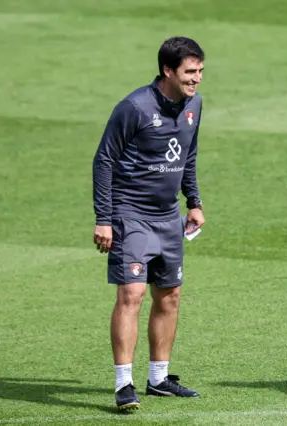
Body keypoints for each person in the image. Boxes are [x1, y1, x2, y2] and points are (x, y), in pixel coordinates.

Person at [92, 36, 206, 411]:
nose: (197, 79)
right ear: (167, 71)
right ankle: (124, 384)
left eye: (201, 71)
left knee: (169, 295)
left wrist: (194, 202)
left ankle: (159, 378)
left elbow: (188, 155)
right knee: (132, 295)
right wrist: (104, 220)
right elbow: (104, 160)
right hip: (130, 215)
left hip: (168, 217)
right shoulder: (134, 107)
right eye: (190, 72)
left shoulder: (195, 105)